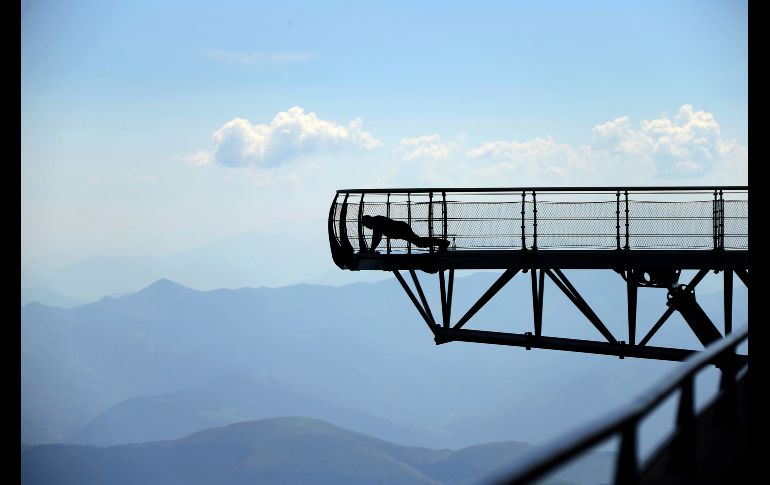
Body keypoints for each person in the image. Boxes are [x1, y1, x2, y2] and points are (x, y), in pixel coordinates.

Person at [361, 215, 450, 252]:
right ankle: (441, 243)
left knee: (419, 242)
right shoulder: (377, 220)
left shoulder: (377, 223)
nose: (367, 227)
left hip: (401, 230)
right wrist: (372, 249)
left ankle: (442, 243)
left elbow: (376, 238)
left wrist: (372, 250)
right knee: (418, 242)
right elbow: (376, 238)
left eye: (366, 225)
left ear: (369, 222)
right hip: (401, 228)